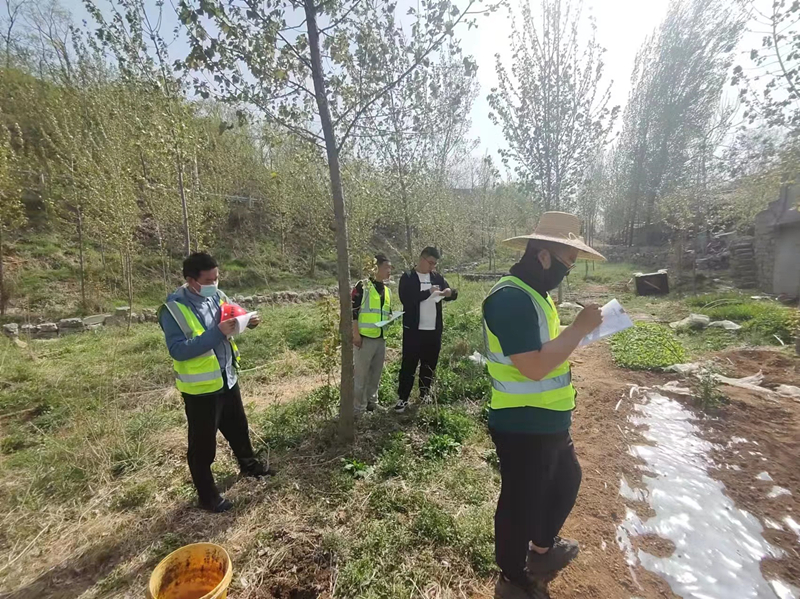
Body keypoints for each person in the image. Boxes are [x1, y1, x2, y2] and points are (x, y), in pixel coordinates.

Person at [481, 212, 605, 599]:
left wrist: (575, 337)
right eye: (569, 261)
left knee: (565, 482)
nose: (569, 270)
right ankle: (512, 578)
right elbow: (533, 367)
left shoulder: (536, 295)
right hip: (522, 423)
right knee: (521, 502)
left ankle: (541, 549)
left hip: (549, 419)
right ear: (544, 257)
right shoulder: (510, 298)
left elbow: (544, 350)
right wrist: (579, 328)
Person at [158, 252, 271, 513]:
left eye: (217, 278)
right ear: (191, 280)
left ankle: (250, 466)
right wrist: (217, 333)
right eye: (209, 280)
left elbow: (234, 316)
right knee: (203, 446)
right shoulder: (173, 310)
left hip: (226, 377)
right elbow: (178, 350)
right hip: (200, 390)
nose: (215, 284)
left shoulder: (217, 296)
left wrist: (249, 321)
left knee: (239, 428)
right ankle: (207, 496)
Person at [394, 247, 458, 414]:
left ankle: (424, 393)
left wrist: (450, 293)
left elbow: (452, 293)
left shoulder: (437, 277)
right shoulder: (408, 277)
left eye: (435, 264)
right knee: (409, 364)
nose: (432, 267)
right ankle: (403, 398)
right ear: (422, 259)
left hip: (433, 330)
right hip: (414, 330)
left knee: (429, 363)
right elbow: (407, 299)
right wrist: (427, 292)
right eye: (430, 263)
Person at [351, 254, 393, 415]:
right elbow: (353, 311)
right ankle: (358, 408)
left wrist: (391, 318)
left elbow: (386, 312)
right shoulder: (363, 286)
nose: (389, 271)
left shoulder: (387, 291)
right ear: (376, 268)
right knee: (361, 376)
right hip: (364, 339)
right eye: (386, 267)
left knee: (375, 375)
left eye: (390, 268)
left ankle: (372, 403)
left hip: (381, 339)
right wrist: (356, 334)